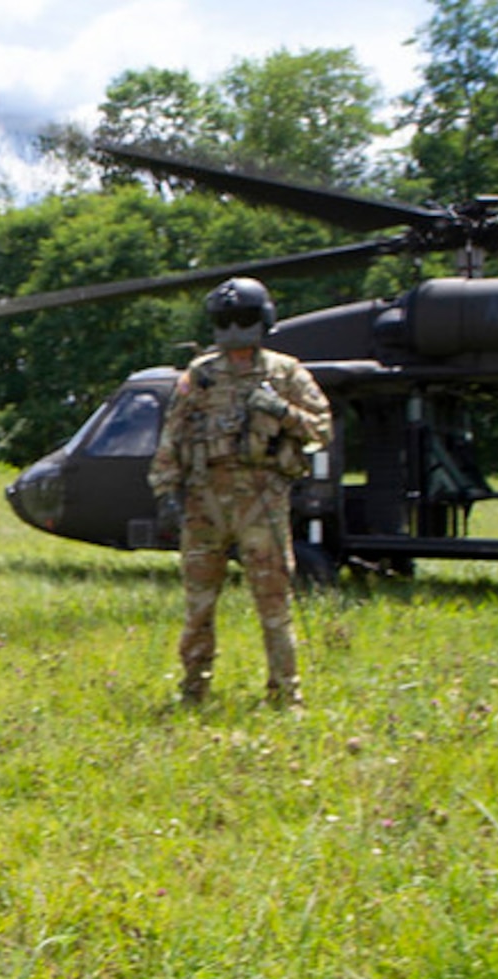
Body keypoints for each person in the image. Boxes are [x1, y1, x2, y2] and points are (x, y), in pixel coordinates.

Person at [148, 276, 332, 708]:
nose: (234, 331)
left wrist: (282, 411)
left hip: (262, 502)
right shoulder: (201, 375)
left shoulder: (285, 373)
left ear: (262, 321)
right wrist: (165, 494)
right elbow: (171, 437)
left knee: (274, 606)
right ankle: (194, 689)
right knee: (198, 606)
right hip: (203, 502)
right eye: (225, 321)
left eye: (243, 319)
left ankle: (286, 695)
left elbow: (322, 428)